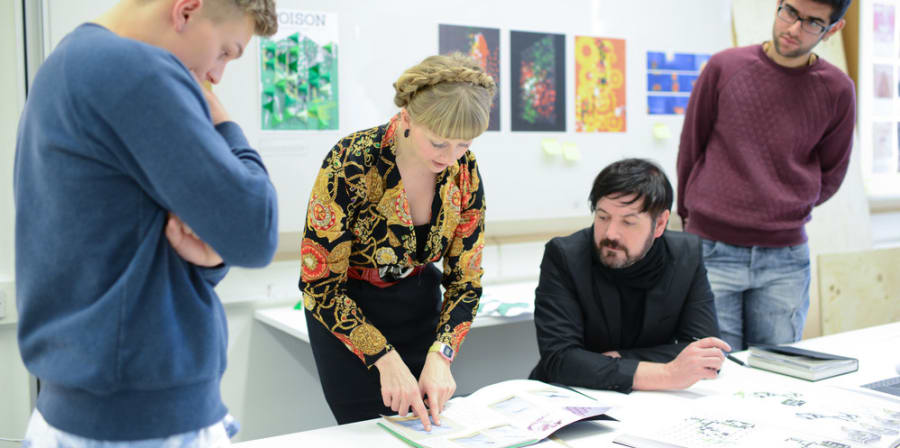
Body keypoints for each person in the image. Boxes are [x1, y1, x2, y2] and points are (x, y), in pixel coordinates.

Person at [14, 0, 278, 445]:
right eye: (225, 52)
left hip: (91, 406)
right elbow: (257, 229)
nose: (217, 76)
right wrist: (226, 123)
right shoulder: (134, 70)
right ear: (187, 11)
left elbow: (131, 238)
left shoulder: (69, 63)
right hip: (139, 423)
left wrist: (212, 254)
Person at [298, 53, 494, 429]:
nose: (450, 156)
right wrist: (384, 359)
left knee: (426, 429)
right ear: (406, 118)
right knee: (368, 432)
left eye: (463, 145)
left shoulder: (464, 171)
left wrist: (441, 355)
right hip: (348, 311)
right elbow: (319, 282)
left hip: (420, 304)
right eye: (439, 143)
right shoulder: (351, 160)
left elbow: (466, 280)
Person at [676, 0, 856, 352]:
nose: (793, 28)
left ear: (833, 29)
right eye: (789, 12)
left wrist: (786, 204)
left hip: (785, 258)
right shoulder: (724, 67)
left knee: (777, 373)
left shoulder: (837, 90)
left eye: (812, 23)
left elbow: (833, 171)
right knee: (712, 371)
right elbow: (690, 149)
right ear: (778, 5)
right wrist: (689, 218)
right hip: (712, 248)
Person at [529, 159, 730, 392]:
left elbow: (705, 353)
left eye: (628, 222)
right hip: (571, 396)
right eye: (603, 217)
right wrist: (667, 374)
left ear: (660, 224)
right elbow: (559, 359)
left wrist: (619, 358)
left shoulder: (685, 255)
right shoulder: (565, 256)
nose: (610, 233)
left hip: (647, 401)